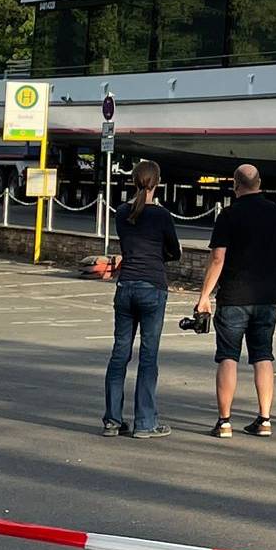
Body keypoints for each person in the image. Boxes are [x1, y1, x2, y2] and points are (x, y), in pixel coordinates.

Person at [196, 164, 276, 439]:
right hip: (267, 296)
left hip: (234, 296)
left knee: (228, 356)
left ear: (236, 184)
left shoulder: (229, 215)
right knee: (263, 355)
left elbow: (218, 258)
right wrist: (273, 276)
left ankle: (224, 421)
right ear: (260, 182)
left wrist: (204, 296)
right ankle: (264, 419)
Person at [105, 160, 181, 439]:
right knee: (148, 356)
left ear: (133, 181)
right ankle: (145, 423)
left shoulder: (122, 213)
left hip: (125, 287)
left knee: (119, 354)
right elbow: (175, 251)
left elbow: (128, 244)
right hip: (152, 286)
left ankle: (112, 420)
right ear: (157, 183)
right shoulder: (161, 215)